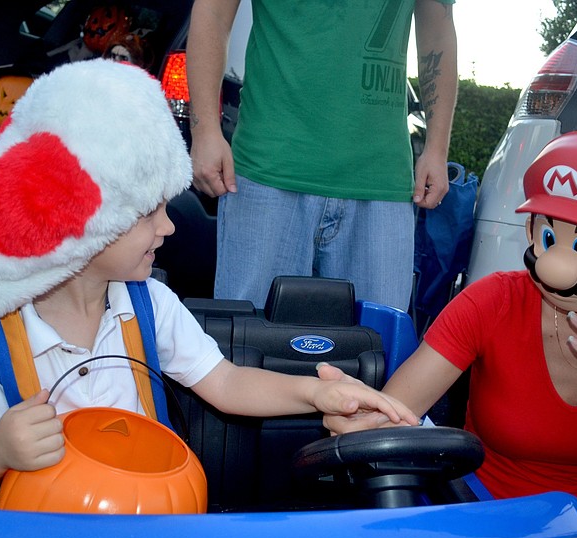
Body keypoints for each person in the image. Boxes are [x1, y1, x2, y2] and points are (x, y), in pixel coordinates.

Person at [0, 59, 418, 499]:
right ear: (79, 223)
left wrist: (314, 392)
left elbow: (226, 382)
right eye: (148, 212)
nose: (168, 226)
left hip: (148, 521)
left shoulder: (149, 304)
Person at [322, 113, 577, 538]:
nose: (551, 266)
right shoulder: (492, 302)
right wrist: (354, 415)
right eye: (548, 230)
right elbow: (392, 419)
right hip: (474, 507)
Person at [186, 1, 458, 311]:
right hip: (268, 174)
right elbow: (213, 11)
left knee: (374, 351)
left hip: (381, 182)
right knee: (248, 343)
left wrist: (437, 148)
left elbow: (437, 33)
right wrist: (205, 129)